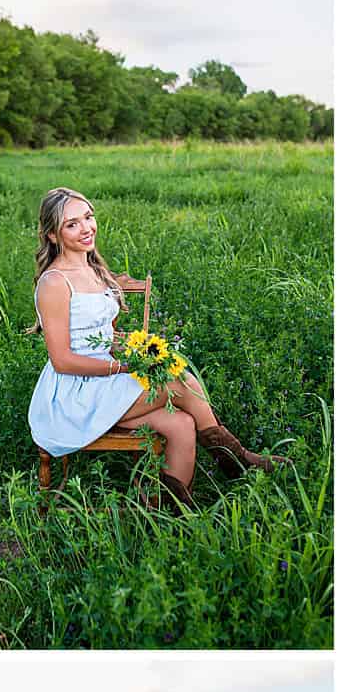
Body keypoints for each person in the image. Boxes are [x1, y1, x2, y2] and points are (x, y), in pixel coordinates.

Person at [28, 187, 286, 510]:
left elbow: (102, 335)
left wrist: (143, 350)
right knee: (179, 379)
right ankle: (238, 460)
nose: (86, 228)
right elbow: (63, 360)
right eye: (72, 224)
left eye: (89, 217)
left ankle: (164, 513)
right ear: (53, 235)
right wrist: (123, 368)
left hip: (104, 381)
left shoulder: (95, 271)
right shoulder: (53, 283)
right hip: (75, 396)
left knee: (181, 424)